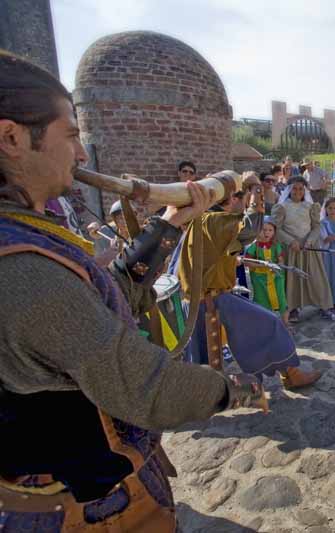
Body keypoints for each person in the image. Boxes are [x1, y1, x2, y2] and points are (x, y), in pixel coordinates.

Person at [0, 52, 269, 530]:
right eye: (71, 136)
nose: (82, 155)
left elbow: (98, 297)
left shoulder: (27, 234)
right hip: (90, 509)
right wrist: (233, 390)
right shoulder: (20, 266)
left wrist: (168, 226)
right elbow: (147, 387)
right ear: (12, 138)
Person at [177, 174, 319, 385]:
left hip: (203, 298)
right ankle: (292, 374)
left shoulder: (201, 220)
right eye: (239, 198)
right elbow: (250, 230)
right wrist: (256, 193)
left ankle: (288, 372)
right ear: (233, 199)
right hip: (212, 300)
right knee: (271, 323)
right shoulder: (214, 220)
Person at [272, 176, 335, 322]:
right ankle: (292, 308)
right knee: (291, 280)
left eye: (301, 189)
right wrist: (291, 241)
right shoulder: (282, 207)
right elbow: (276, 228)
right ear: (289, 190)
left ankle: (324, 305)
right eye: (294, 188)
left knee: (316, 277)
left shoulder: (310, 207)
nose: (298, 191)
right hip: (290, 250)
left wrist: (310, 241)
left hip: (308, 248)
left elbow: (316, 226)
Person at [243, 216, 289, 325]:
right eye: (264, 230)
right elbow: (246, 261)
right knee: (262, 301)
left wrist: (279, 265)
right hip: (260, 279)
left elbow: (281, 260)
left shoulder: (276, 245)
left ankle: (286, 324)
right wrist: (263, 266)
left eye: (270, 230)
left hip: (276, 277)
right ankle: (264, 325)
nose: (267, 233)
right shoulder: (254, 246)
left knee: (281, 300)